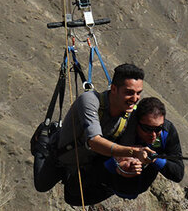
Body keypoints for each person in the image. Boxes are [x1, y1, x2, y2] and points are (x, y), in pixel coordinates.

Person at [33, 63, 154, 196]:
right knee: (41, 186)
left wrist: (128, 164)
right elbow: (94, 141)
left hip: (82, 163)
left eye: (138, 93)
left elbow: (122, 151)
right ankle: (44, 140)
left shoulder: (130, 116)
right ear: (113, 89)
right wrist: (134, 152)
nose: (135, 98)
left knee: (76, 196)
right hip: (58, 154)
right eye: (129, 93)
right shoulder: (89, 100)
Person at [63, 96, 185, 206]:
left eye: (158, 129)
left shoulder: (167, 132)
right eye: (147, 129)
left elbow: (178, 173)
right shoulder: (121, 128)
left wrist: (154, 159)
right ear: (137, 122)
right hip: (107, 182)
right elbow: (95, 158)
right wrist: (117, 164)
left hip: (134, 187)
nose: (153, 135)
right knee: (72, 196)